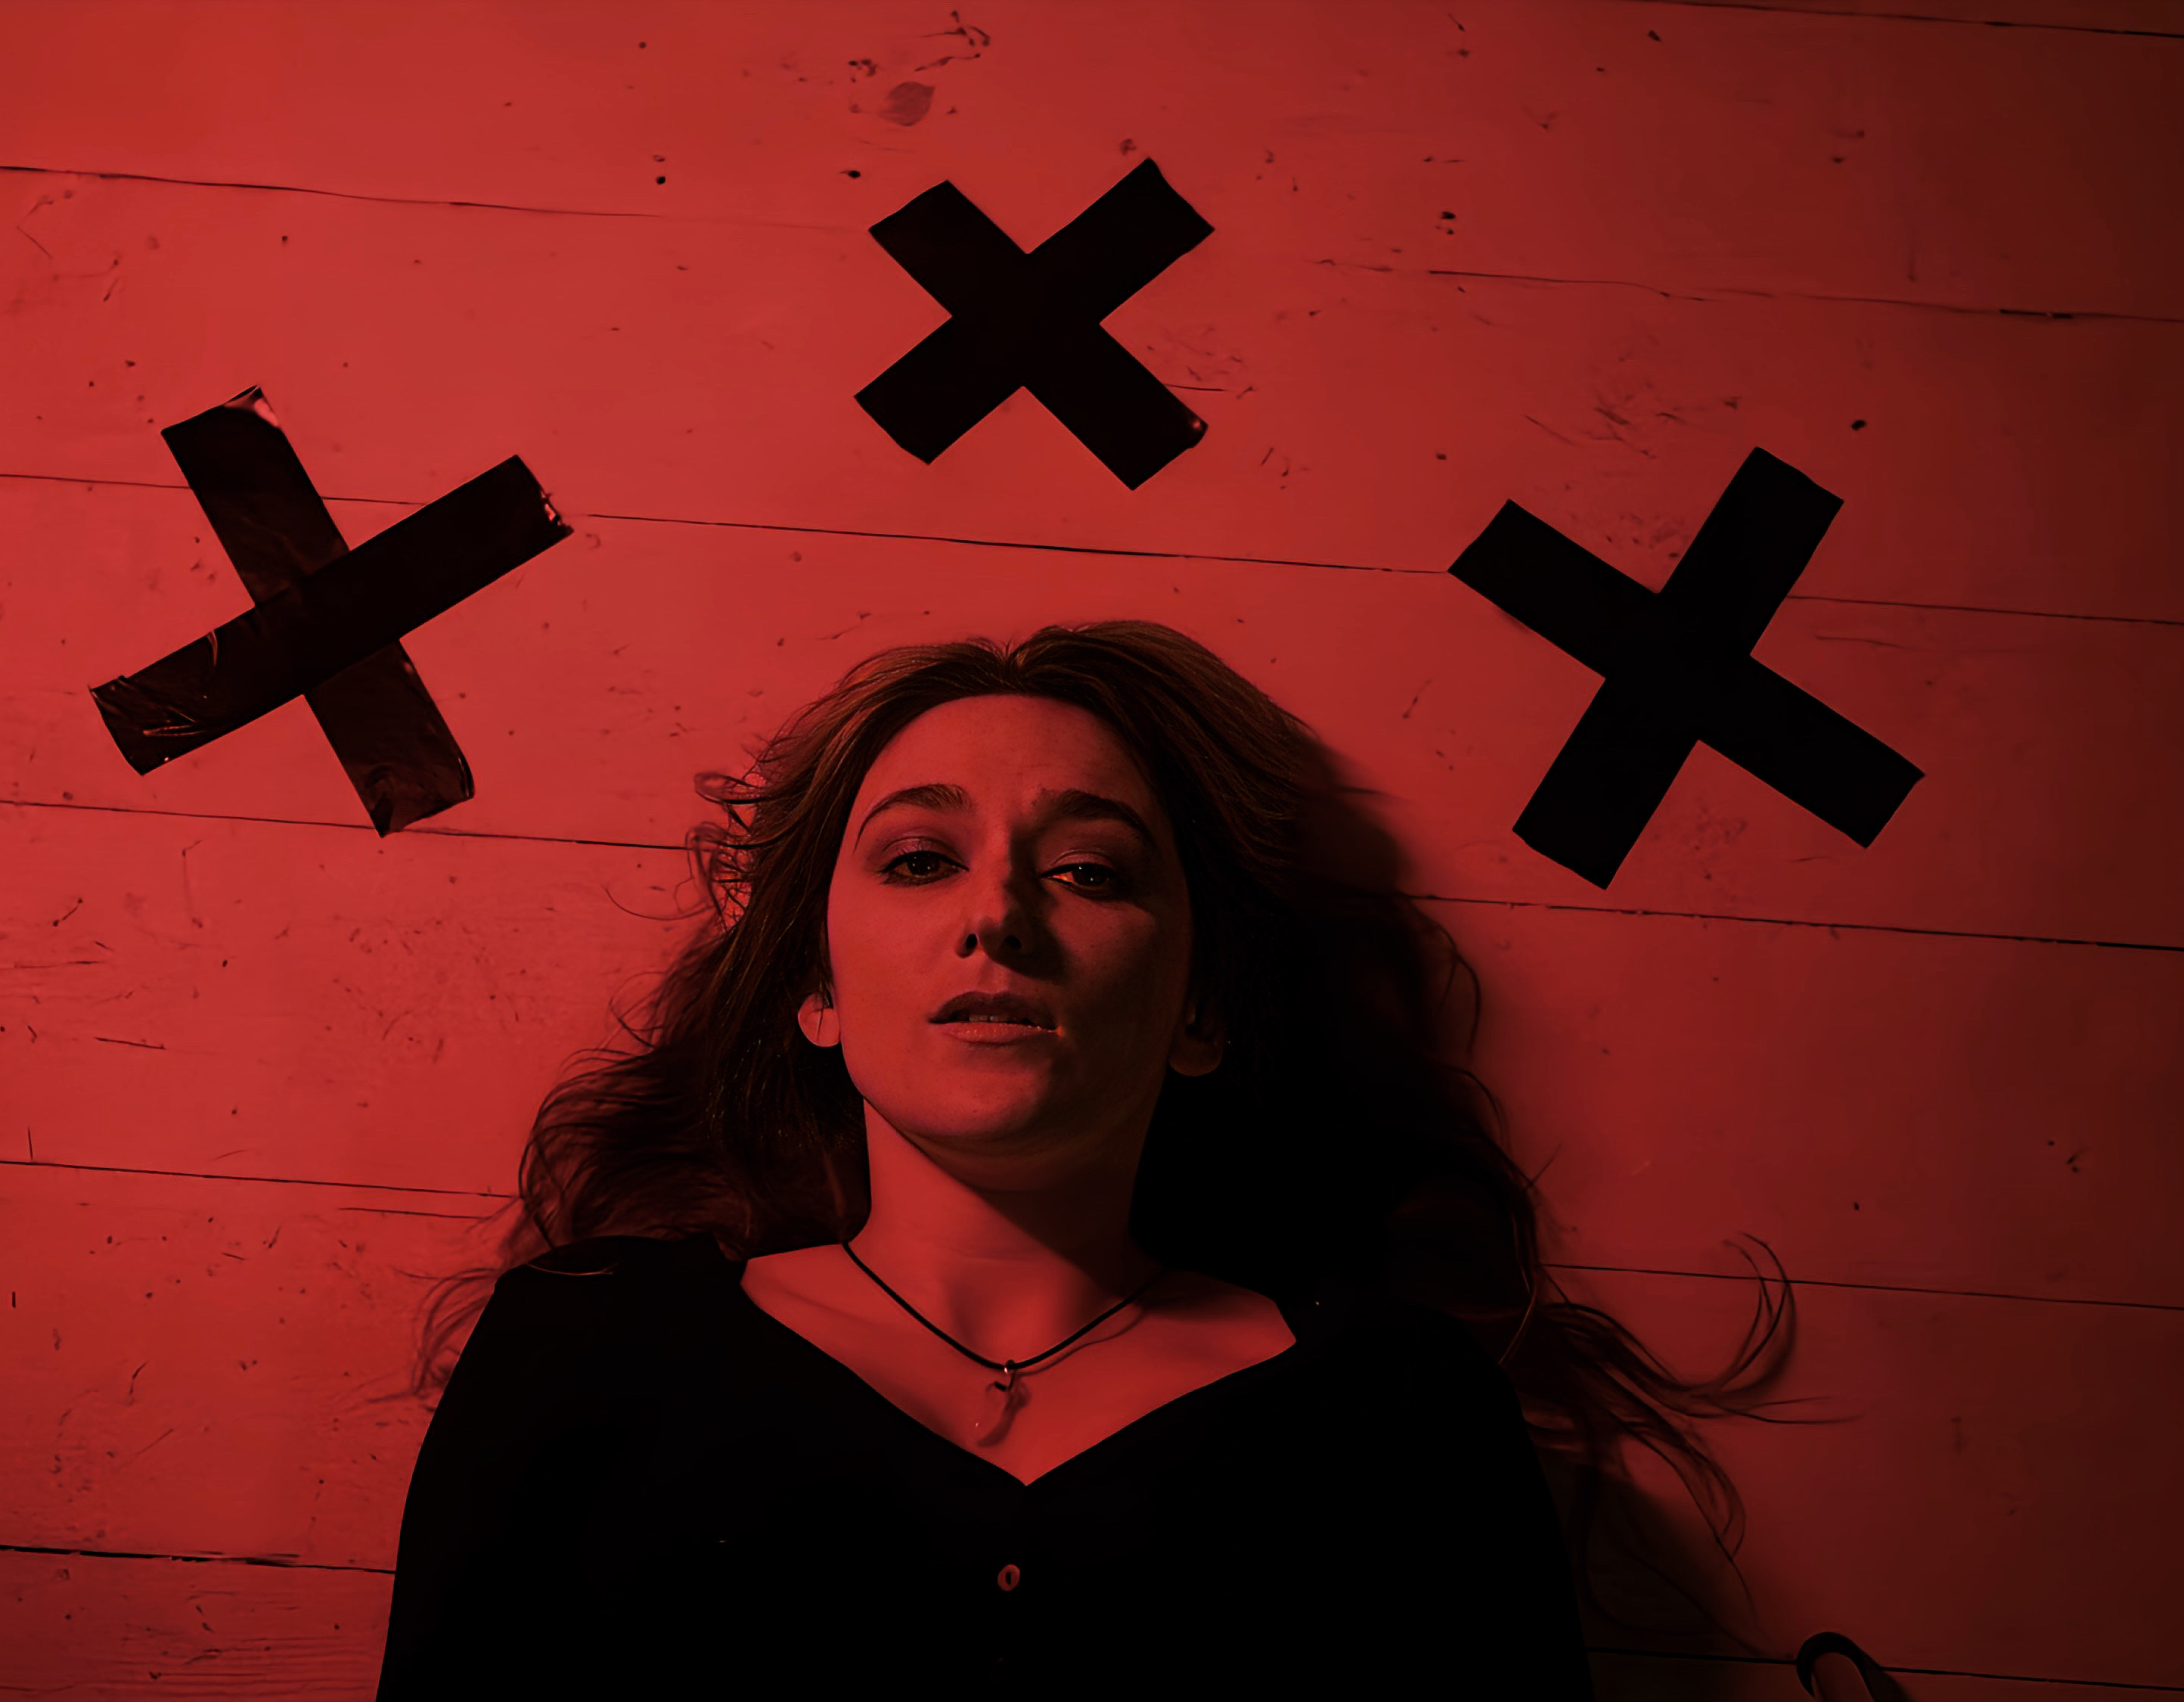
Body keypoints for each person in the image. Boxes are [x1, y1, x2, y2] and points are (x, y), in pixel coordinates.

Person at [377, 622, 1784, 1695]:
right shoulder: (584, 1353)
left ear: (1202, 1007)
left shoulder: (1403, 1416)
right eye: (919, 859)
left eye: (1090, 870)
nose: (997, 914)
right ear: (815, 987)